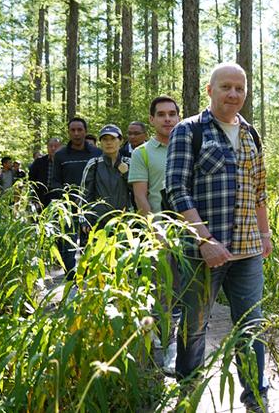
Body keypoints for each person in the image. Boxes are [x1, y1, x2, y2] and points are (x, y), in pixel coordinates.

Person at [165, 62, 271, 411]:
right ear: (210, 90)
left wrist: (265, 233)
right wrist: (204, 240)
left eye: (240, 88)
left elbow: (259, 190)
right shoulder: (189, 130)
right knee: (194, 328)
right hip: (202, 252)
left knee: (250, 328)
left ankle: (256, 399)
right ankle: (188, 395)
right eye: (226, 87)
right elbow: (176, 189)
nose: (234, 94)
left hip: (248, 251)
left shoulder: (250, 134)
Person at [129, 96, 181, 375]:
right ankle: (165, 346)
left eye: (172, 114)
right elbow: (141, 198)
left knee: (189, 294)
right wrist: (155, 231)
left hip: (191, 235)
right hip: (159, 235)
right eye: (161, 114)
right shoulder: (143, 154)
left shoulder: (189, 148)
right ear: (152, 119)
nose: (167, 119)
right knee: (163, 294)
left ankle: (184, 347)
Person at [52, 117, 102, 279]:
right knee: (69, 243)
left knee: (91, 242)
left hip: (92, 207)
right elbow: (54, 181)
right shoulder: (60, 155)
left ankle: (89, 275)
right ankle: (70, 277)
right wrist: (66, 196)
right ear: (68, 132)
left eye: (80, 130)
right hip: (68, 208)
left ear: (85, 131)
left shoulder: (97, 153)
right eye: (73, 130)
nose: (76, 133)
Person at [80, 125, 131, 231]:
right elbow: (84, 194)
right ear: (100, 143)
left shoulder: (129, 163)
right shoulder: (94, 164)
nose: (109, 143)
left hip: (126, 222)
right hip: (99, 223)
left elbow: (138, 192)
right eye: (105, 139)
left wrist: (126, 174)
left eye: (113, 139)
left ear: (120, 141)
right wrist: (84, 219)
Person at [29, 137, 63, 209]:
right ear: (47, 147)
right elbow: (31, 180)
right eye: (51, 146)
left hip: (60, 198)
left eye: (56, 146)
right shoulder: (39, 162)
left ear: (61, 148)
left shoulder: (64, 162)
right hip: (41, 197)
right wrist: (34, 198)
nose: (53, 148)